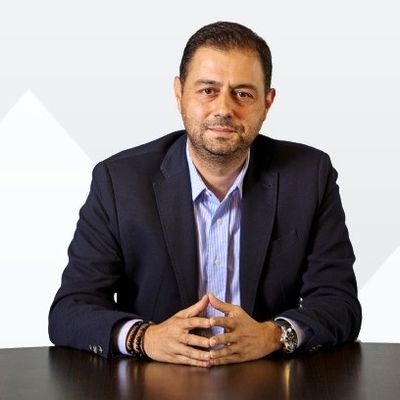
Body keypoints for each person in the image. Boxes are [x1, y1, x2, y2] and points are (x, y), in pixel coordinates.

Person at [49, 21, 361, 367]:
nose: (224, 109)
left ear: (267, 102)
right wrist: (146, 338)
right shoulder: (119, 183)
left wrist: (273, 335)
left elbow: (339, 303)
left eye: (243, 94)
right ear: (179, 93)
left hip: (268, 380)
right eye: (208, 90)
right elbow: (70, 310)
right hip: (155, 382)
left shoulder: (309, 177)